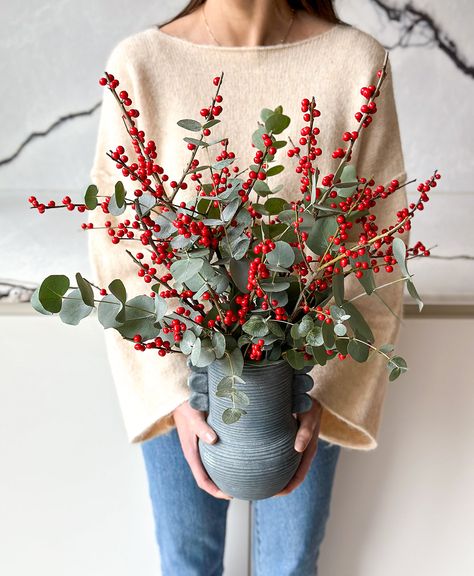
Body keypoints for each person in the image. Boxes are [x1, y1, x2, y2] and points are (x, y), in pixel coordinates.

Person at [88, 1, 408, 574]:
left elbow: (378, 249)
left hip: (304, 377)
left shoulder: (355, 64)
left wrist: (324, 397)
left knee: (291, 563)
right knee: (188, 563)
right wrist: (171, 396)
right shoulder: (142, 65)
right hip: (179, 370)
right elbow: (119, 251)